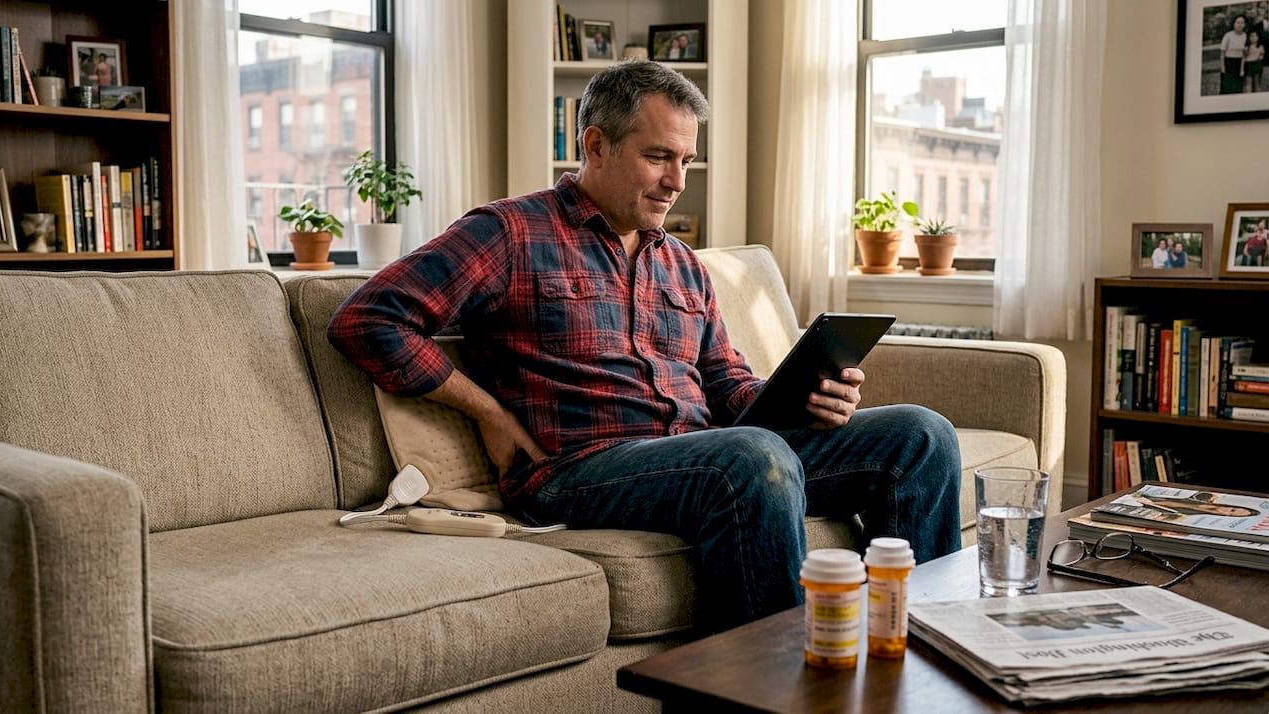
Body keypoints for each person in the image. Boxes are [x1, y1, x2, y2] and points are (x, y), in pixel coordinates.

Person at [327, 61, 962, 635]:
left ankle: (924, 656)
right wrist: (488, 411)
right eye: (659, 157)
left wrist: (805, 398)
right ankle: (776, 694)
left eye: (686, 160)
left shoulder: (681, 263)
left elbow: (728, 385)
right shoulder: (509, 232)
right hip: (577, 470)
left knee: (920, 436)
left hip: (706, 458)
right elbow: (368, 319)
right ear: (596, 145)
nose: (677, 181)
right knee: (750, 456)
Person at [1221, 15, 1249, 95]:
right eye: (1238, 22)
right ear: (1234, 24)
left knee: (1238, 85)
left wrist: (1242, 69)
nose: (1240, 25)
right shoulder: (1228, 35)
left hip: (1240, 63)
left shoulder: (1245, 36)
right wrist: (1223, 66)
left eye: (1242, 23)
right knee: (1227, 86)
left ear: (1245, 24)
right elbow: (1222, 52)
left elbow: (1245, 53)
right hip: (1229, 62)